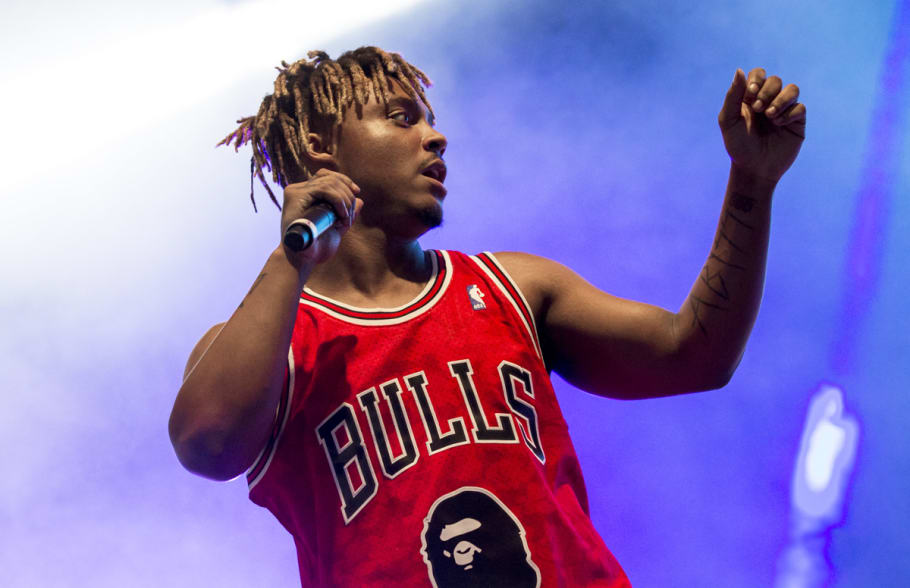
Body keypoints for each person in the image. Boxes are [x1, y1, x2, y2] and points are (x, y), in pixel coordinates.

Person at [168, 47, 805, 586]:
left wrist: (752, 180)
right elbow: (206, 444)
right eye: (401, 118)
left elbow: (695, 354)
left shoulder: (512, 287)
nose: (435, 136)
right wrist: (292, 256)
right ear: (319, 145)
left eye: (429, 120)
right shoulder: (271, 343)